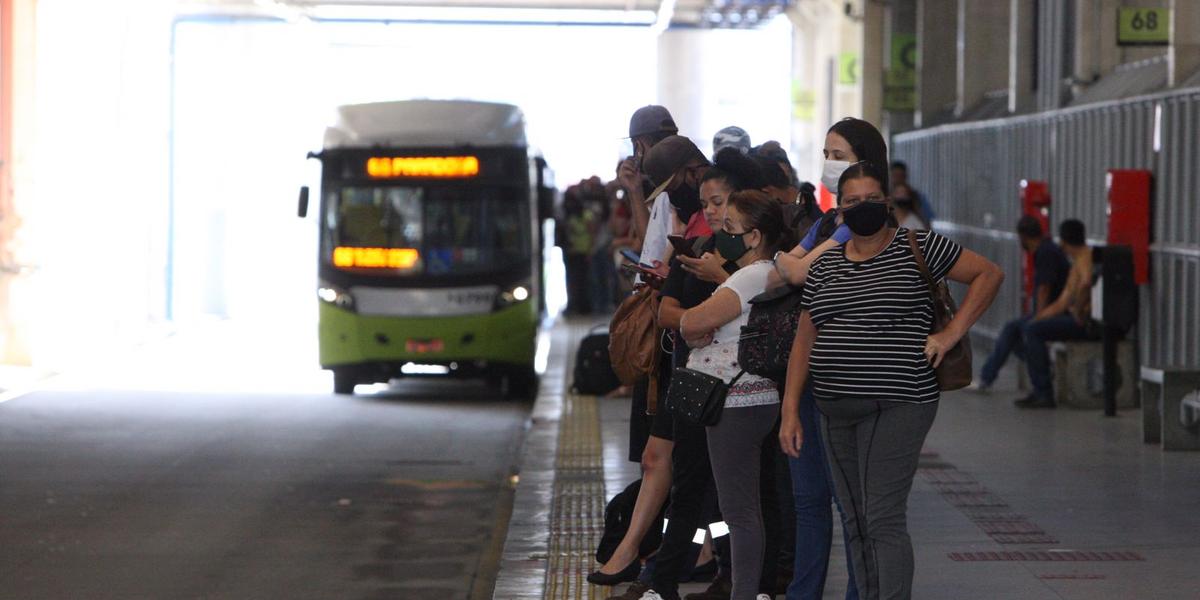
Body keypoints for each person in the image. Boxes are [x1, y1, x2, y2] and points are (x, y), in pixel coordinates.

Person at [779, 161, 1004, 600]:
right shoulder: (823, 267)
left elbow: (988, 274)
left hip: (900, 401)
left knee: (881, 516)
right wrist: (790, 410)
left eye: (871, 201)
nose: (862, 209)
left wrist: (951, 332)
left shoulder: (918, 246)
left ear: (887, 204)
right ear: (838, 212)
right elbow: (804, 341)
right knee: (856, 518)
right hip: (834, 408)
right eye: (852, 202)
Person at [618, 149, 766, 600]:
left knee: (738, 497)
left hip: (744, 395)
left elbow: (719, 316)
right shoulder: (698, 249)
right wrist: (698, 318)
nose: (712, 212)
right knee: (688, 483)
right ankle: (664, 578)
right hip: (695, 383)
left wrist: (705, 307)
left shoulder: (759, 263)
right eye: (706, 205)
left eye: (720, 202)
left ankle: (743, 581)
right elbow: (667, 312)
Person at [589, 134, 712, 591]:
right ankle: (640, 558)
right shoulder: (694, 217)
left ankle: (665, 567)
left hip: (715, 370)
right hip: (688, 361)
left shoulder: (718, 223)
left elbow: (724, 295)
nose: (715, 209)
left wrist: (677, 298)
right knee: (658, 456)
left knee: (689, 470)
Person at [679, 190, 795, 600]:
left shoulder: (748, 276)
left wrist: (692, 325)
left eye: (729, 227)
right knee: (748, 505)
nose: (720, 233)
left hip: (735, 401)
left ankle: (745, 593)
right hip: (756, 397)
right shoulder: (772, 272)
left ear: (754, 236)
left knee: (739, 510)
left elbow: (692, 321)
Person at [973, 216, 1070, 395]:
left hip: (1057, 312)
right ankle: (989, 376)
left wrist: (1039, 318)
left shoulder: (1045, 252)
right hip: (1055, 311)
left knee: (1024, 330)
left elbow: (1044, 289)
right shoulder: (1048, 249)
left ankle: (1041, 383)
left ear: (1023, 237)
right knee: (1012, 329)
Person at [1014, 218, 1096, 408]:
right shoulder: (1078, 261)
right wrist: (1037, 318)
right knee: (1031, 328)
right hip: (1078, 318)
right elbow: (1061, 303)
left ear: (1064, 242)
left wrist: (1078, 309)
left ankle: (1043, 392)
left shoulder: (1085, 259)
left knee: (1033, 332)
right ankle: (1040, 382)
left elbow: (1085, 284)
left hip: (1085, 322)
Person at [889, 161, 935, 225]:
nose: (898, 179)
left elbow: (927, 219)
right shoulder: (886, 196)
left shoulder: (917, 196)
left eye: (900, 176)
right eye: (895, 175)